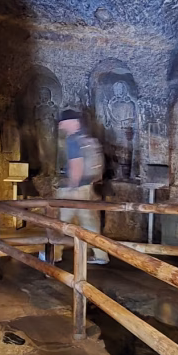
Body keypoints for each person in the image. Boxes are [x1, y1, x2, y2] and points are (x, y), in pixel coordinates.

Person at [52, 110, 109, 265]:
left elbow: (76, 164)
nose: (60, 124)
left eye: (63, 121)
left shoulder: (73, 140)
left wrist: (71, 186)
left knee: (58, 222)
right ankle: (101, 256)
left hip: (75, 190)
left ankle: (53, 254)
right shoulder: (87, 139)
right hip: (88, 187)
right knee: (90, 223)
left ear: (72, 122)